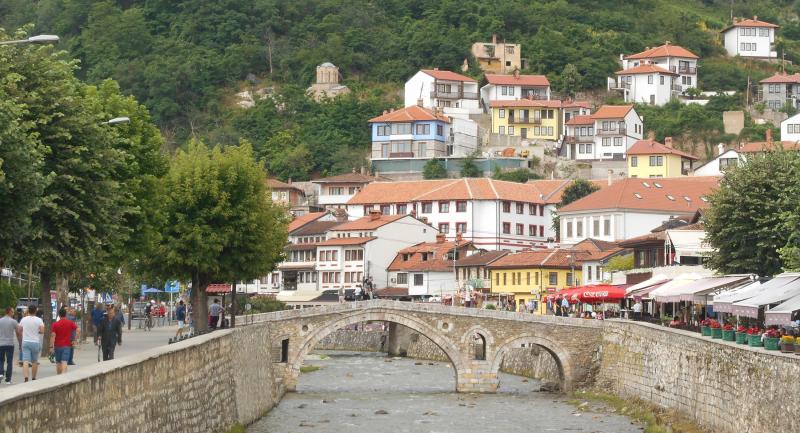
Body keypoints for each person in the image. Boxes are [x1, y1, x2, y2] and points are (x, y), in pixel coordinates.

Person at [18, 305, 44, 382]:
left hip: (25, 341)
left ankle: (26, 378)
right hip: (35, 342)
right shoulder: (39, 320)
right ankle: (33, 378)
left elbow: (19, 330)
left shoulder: (23, 319)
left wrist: (24, 332)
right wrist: (37, 331)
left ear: (28, 310)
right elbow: (42, 331)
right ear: (35, 311)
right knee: (34, 361)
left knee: (25, 361)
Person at [51, 308, 78, 375]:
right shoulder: (70, 323)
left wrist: (51, 346)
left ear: (59, 315)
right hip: (67, 346)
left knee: (58, 362)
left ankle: (59, 375)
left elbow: (53, 335)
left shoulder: (55, 324)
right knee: (64, 361)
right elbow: (78, 330)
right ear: (66, 315)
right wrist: (75, 340)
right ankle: (63, 375)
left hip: (57, 346)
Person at [0, 307, 19, 384]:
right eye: (13, 312)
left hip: (1, 343)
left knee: (1, 360)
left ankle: (0, 373)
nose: (13, 313)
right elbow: (18, 332)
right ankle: (8, 379)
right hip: (10, 344)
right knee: (9, 361)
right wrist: (19, 341)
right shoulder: (14, 321)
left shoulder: (0, 321)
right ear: (9, 312)